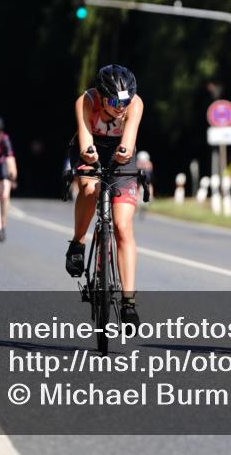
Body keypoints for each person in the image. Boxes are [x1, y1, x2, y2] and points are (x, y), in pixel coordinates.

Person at [65, 64, 144, 325]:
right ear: (101, 96)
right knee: (89, 188)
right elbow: (85, 142)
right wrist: (89, 155)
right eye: (114, 101)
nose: (121, 107)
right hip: (91, 147)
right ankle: (78, 242)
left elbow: (128, 143)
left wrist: (123, 153)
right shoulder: (86, 101)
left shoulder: (135, 104)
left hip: (120, 154)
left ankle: (128, 302)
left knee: (122, 227)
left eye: (125, 101)